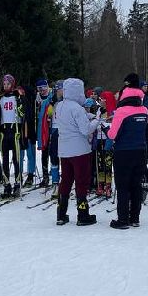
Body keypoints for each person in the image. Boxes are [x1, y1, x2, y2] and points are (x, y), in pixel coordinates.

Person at [54, 78, 100, 226]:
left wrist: (88, 116)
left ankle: (61, 213)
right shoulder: (77, 108)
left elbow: (72, 121)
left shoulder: (59, 106)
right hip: (80, 150)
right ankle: (83, 214)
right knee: (81, 181)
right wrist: (97, 120)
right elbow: (86, 129)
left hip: (64, 150)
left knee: (66, 180)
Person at [109, 81, 148, 229]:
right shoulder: (144, 110)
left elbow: (113, 134)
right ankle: (135, 218)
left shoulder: (121, 111)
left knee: (123, 186)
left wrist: (106, 129)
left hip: (124, 152)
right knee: (136, 185)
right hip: (141, 150)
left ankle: (123, 219)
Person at [0, 74, 25, 198]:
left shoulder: (17, 97)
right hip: (4, 131)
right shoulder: (1, 98)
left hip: (15, 130)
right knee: (5, 159)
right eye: (4, 84)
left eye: (8, 84)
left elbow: (22, 113)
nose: (6, 86)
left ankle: (17, 183)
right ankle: (7, 184)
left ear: (12, 84)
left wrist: (20, 101)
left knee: (16, 158)